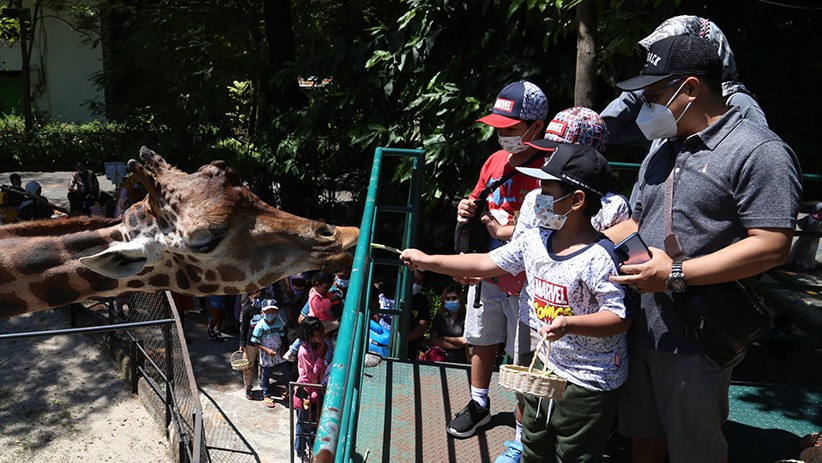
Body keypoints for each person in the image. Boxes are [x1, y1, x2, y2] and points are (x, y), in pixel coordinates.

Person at [604, 35, 801, 463]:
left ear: (690, 88)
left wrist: (675, 273)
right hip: (643, 328)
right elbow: (638, 219)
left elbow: (772, 245)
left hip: (699, 337)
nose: (645, 107)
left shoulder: (759, 151)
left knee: (694, 450)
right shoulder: (662, 147)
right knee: (644, 438)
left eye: (653, 95)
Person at [401, 143, 631, 462]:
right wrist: (429, 261)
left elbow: (620, 318)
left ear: (577, 201)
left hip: (589, 380)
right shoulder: (535, 241)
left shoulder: (600, 258)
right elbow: (485, 263)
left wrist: (571, 323)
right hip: (545, 368)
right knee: (535, 445)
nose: (536, 199)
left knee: (575, 454)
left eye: (546, 192)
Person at [450, 80, 548, 447]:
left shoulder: (550, 170)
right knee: (482, 337)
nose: (501, 135)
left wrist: (504, 230)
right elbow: (478, 199)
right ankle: (479, 404)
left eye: (510, 129)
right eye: (498, 128)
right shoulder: (495, 161)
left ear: (536, 128)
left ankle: (525, 431)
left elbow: (546, 230)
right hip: (487, 274)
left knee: (523, 353)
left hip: (527, 283)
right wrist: (467, 208)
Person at [601, 15, 768, 209]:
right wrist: (647, 91)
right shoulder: (668, 113)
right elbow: (606, 128)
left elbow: (759, 171)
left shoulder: (737, 103)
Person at [514, 106, 630, 240]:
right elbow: (516, 251)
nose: (548, 160)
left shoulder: (613, 207)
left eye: (557, 153)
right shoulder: (534, 199)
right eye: (547, 152)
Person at [293, 316, 333, 461]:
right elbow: (312, 377)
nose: (323, 334)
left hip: (317, 392)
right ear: (310, 336)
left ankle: (311, 449)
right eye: (319, 332)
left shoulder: (320, 344)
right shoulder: (304, 352)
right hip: (306, 393)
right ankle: (300, 452)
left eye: (323, 331)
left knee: (313, 425)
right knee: (302, 426)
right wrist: (321, 358)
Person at [249, 299, 290, 408]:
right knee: (266, 374)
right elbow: (254, 342)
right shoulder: (259, 326)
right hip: (266, 354)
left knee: (286, 371)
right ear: (263, 313)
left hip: (278, 351)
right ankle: (266, 394)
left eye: (273, 311)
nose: (270, 314)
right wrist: (266, 350)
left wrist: (283, 349)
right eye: (268, 312)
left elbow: (282, 336)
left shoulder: (279, 322)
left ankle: (287, 391)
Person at [428, 284, 468, 363]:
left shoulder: (466, 318)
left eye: (454, 298)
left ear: (460, 299)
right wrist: (453, 346)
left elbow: (465, 340)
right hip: (440, 359)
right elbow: (433, 339)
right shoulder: (440, 317)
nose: (451, 301)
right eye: (448, 299)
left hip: (461, 361)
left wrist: (445, 338)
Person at [239, 290, 265, 400]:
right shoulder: (247, 310)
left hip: (264, 342)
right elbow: (244, 327)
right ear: (250, 297)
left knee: (263, 364)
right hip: (250, 342)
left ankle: (263, 384)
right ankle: (248, 387)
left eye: (260, 297)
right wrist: (242, 343)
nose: (257, 300)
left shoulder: (265, 309)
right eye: (255, 297)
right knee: (248, 365)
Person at [406, 269, 431, 360]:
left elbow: (423, 325)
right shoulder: (394, 294)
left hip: (412, 347)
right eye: (414, 280)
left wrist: (404, 340)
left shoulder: (422, 300)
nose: (417, 284)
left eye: (420, 282)